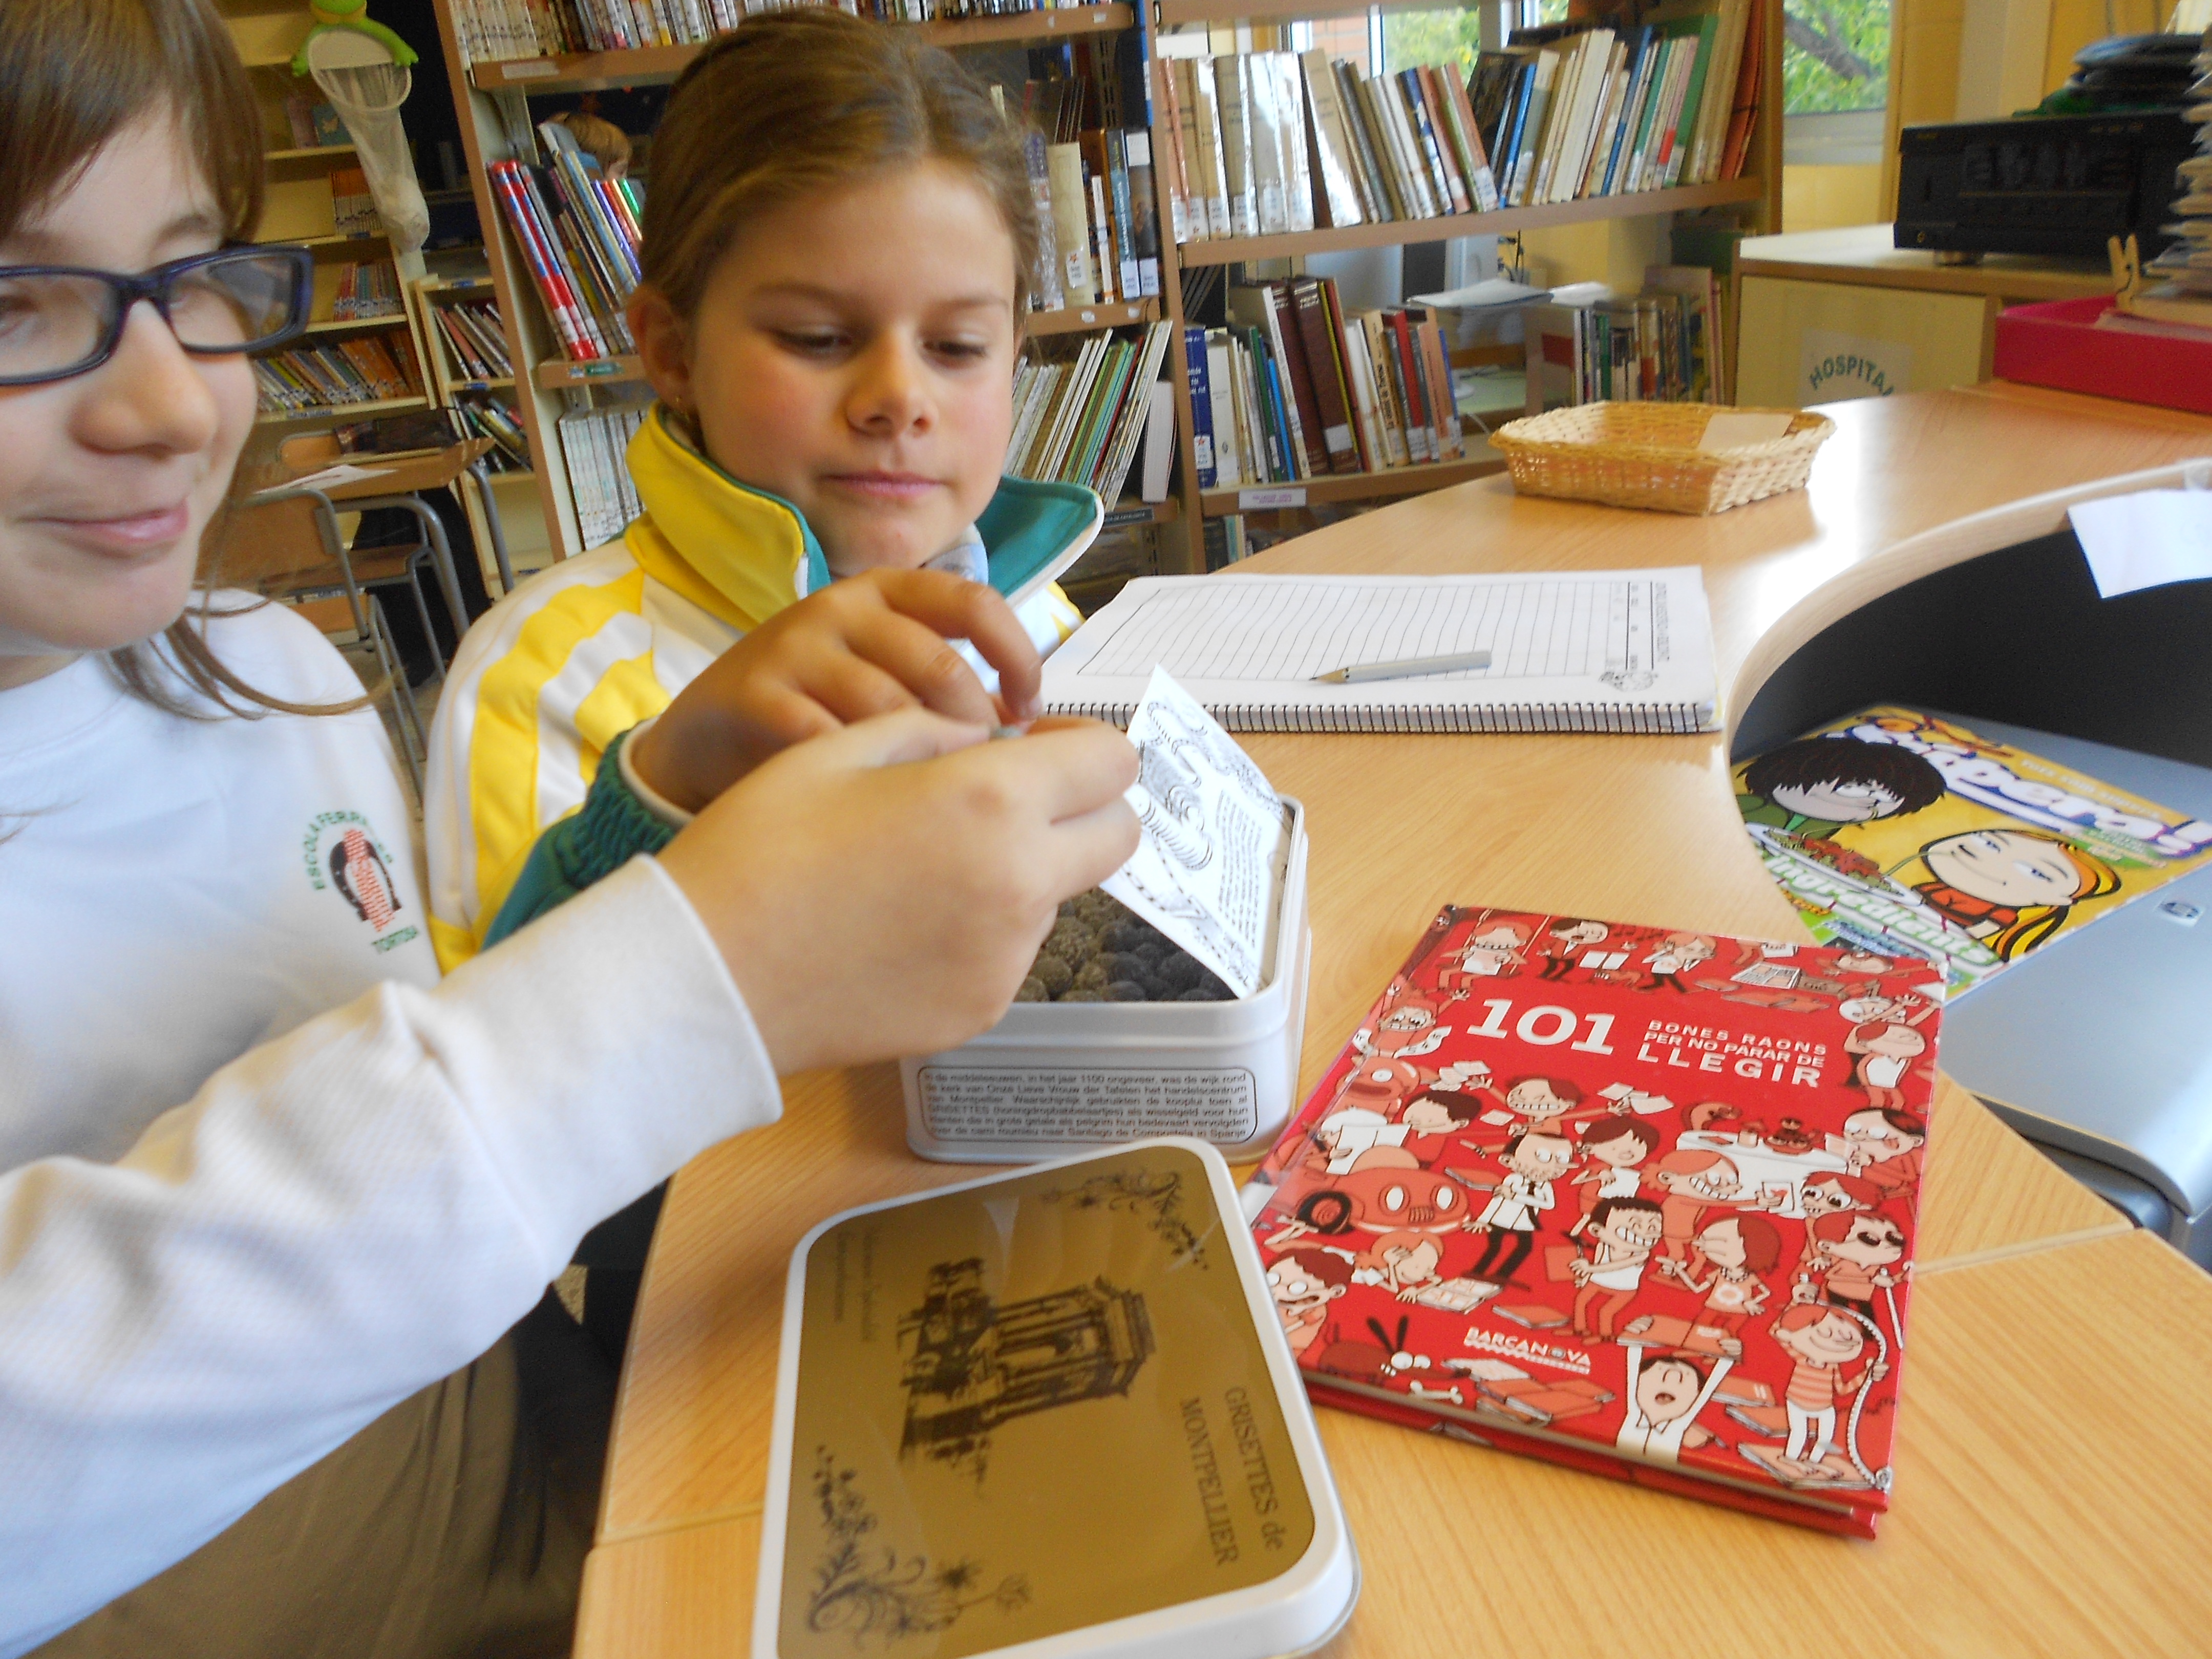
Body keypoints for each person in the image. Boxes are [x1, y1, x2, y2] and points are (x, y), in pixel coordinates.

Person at [0, 4, 1136, 1653]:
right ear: (666, 345)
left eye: (190, 281)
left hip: (588, 1462)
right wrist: (712, 959)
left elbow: (438, 1125)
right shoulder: (523, 663)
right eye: (15, 306)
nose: (170, 408)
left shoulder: (277, 677)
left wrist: (657, 800)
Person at [426, 9, 1094, 967]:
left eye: (956, 347)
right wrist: (660, 800)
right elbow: (513, 1033)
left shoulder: (1041, 614)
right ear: (673, 352)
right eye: (817, 339)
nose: (900, 399)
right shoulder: (543, 678)